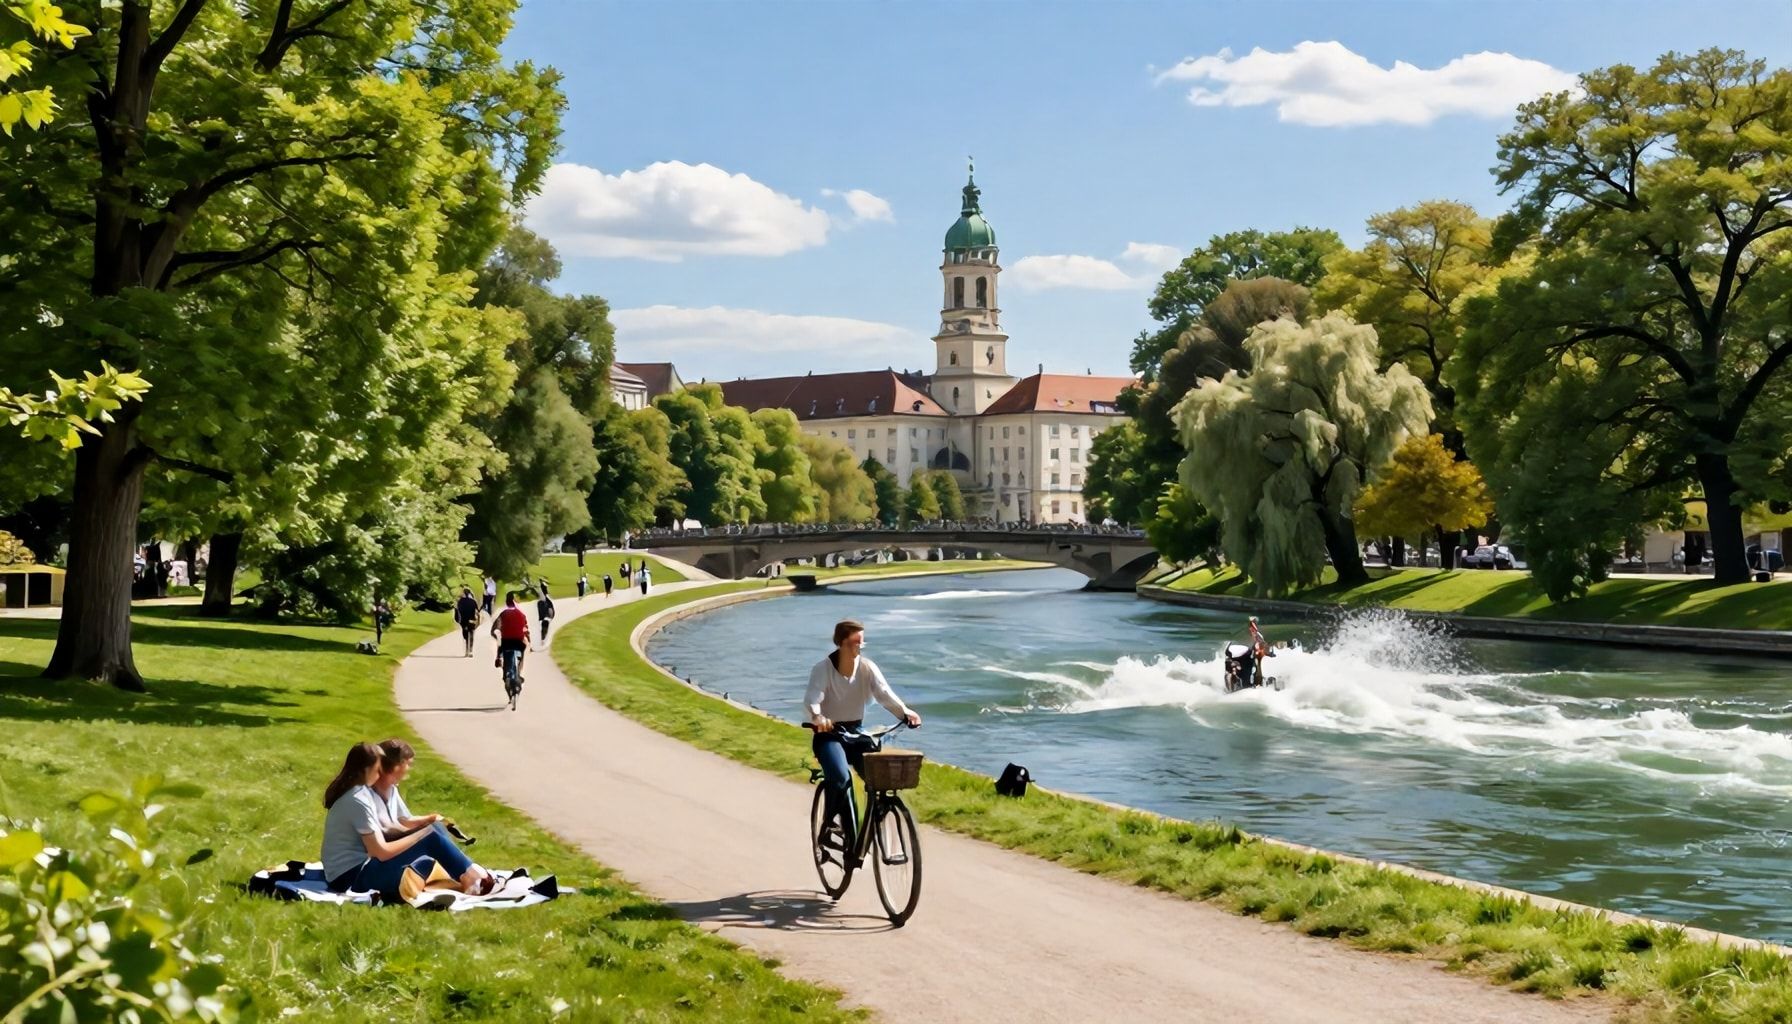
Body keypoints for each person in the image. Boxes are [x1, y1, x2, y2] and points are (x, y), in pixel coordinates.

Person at [804, 619, 922, 852]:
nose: (859, 647)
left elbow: (884, 693)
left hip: (856, 733)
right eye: (855, 642)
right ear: (841, 643)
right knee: (841, 778)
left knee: (879, 778)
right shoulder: (822, 669)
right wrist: (818, 717)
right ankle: (830, 824)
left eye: (862, 642)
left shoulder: (867, 667)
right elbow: (812, 699)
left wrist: (905, 712)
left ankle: (872, 824)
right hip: (829, 736)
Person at [320, 742, 494, 899]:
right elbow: (380, 852)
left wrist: (424, 829)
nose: (380, 773)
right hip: (350, 879)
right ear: (368, 769)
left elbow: (386, 836)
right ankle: (471, 876)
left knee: (432, 832)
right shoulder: (358, 799)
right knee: (430, 837)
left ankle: (468, 874)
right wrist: (422, 835)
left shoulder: (359, 794)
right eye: (378, 768)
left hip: (356, 871)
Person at [490, 593, 530, 686]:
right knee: (523, 652)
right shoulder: (521, 614)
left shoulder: (503, 614)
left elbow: (495, 627)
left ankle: (498, 659)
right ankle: (519, 673)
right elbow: (525, 628)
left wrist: (495, 634)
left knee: (500, 645)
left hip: (506, 642)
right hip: (518, 641)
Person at [453, 587, 480, 657]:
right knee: (471, 635)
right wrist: (478, 621)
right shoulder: (473, 601)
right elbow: (477, 611)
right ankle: (470, 651)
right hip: (472, 620)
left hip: (463, 621)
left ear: (463, 594)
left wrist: (457, 620)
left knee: (465, 636)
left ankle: (466, 651)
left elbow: (457, 611)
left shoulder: (460, 602)